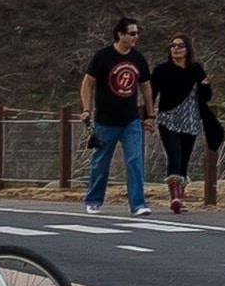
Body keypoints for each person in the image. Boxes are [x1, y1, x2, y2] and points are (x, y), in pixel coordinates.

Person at [76, 14, 151, 213]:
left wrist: (149, 114)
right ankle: (94, 200)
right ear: (120, 34)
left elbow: (146, 86)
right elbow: (87, 83)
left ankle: (138, 204)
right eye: (132, 34)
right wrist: (86, 108)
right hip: (106, 121)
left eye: (137, 33)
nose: (136, 37)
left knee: (135, 161)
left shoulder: (138, 58)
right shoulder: (103, 56)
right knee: (100, 163)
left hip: (130, 120)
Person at [151, 31, 216, 205]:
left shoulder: (196, 69)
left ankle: (180, 191)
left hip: (191, 118)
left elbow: (205, 97)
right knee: (174, 155)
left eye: (180, 46)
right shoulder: (161, 70)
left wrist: (205, 86)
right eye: (173, 46)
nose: (176, 49)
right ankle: (175, 196)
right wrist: (147, 117)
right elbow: (151, 93)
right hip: (168, 118)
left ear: (188, 49)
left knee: (185, 158)